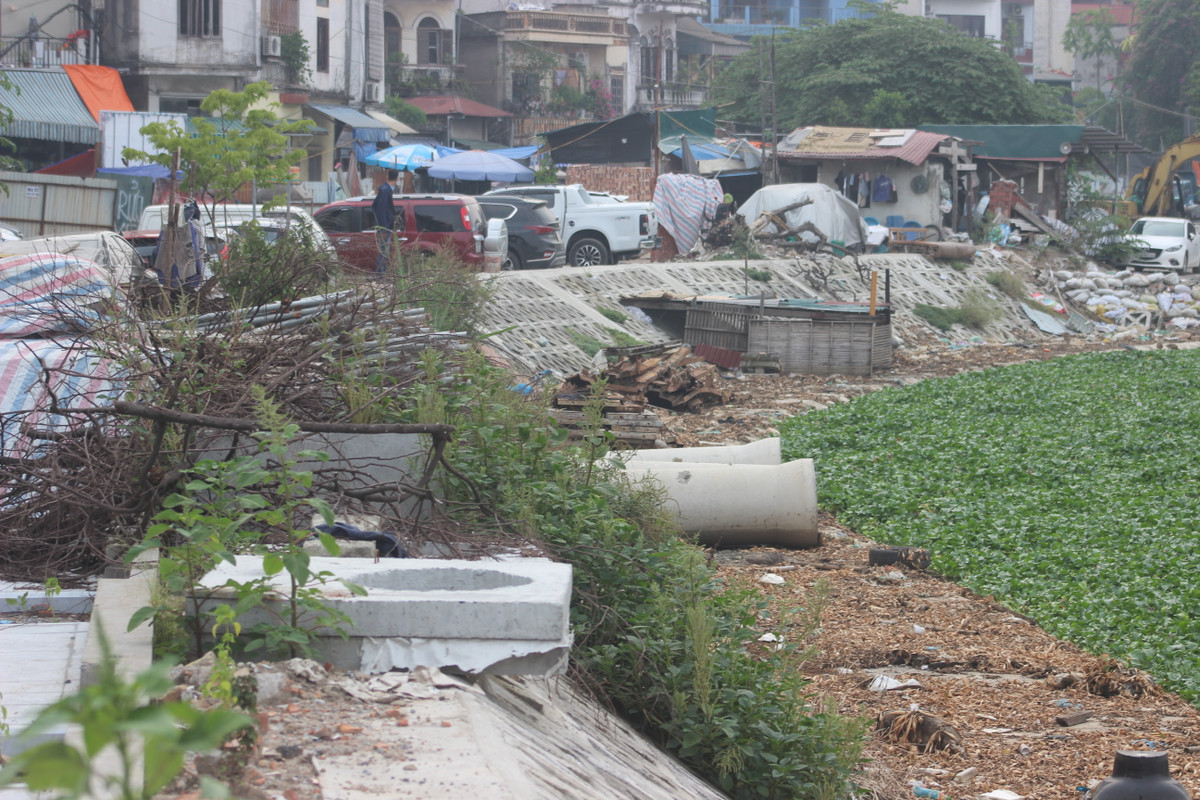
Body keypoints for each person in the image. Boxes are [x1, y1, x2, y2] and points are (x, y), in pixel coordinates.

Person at [372, 168, 399, 275]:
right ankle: (380, 274)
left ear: (387, 176)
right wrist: (383, 227)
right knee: (383, 252)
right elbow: (381, 210)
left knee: (384, 251)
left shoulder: (385, 189)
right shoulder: (385, 191)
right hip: (384, 227)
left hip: (386, 226)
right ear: (397, 179)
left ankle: (381, 274)